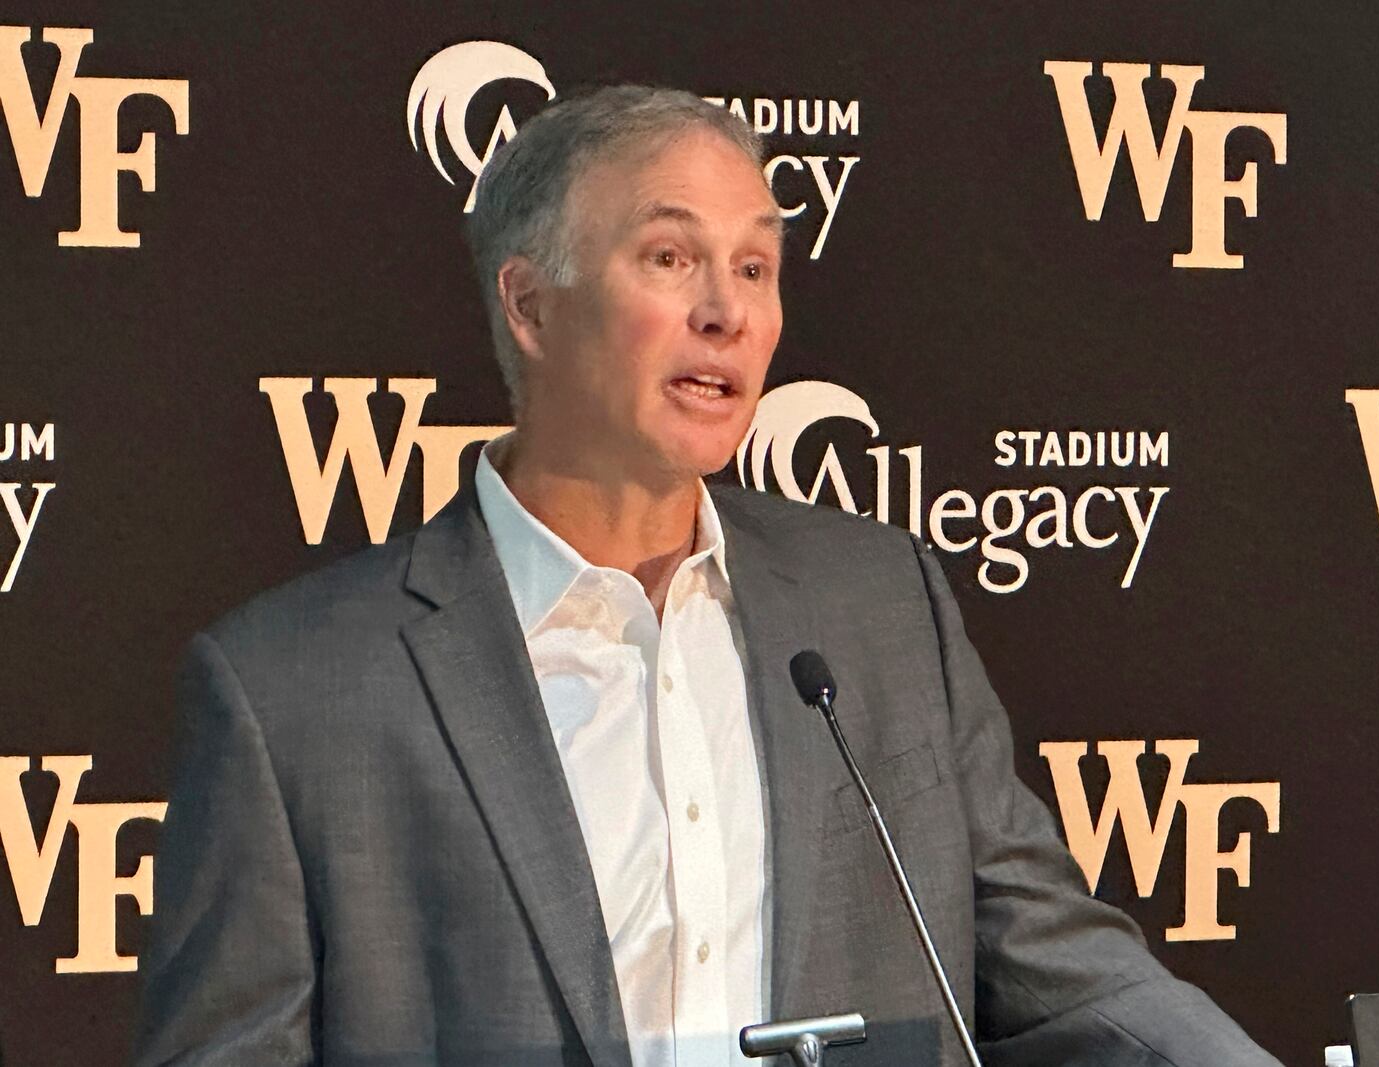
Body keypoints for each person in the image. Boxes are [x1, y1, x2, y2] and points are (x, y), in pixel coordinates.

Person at [133, 86, 1281, 1066]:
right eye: (671, 257)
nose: (727, 312)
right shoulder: (294, 691)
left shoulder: (878, 607)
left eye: (755, 266)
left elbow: (1062, 970)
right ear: (531, 305)